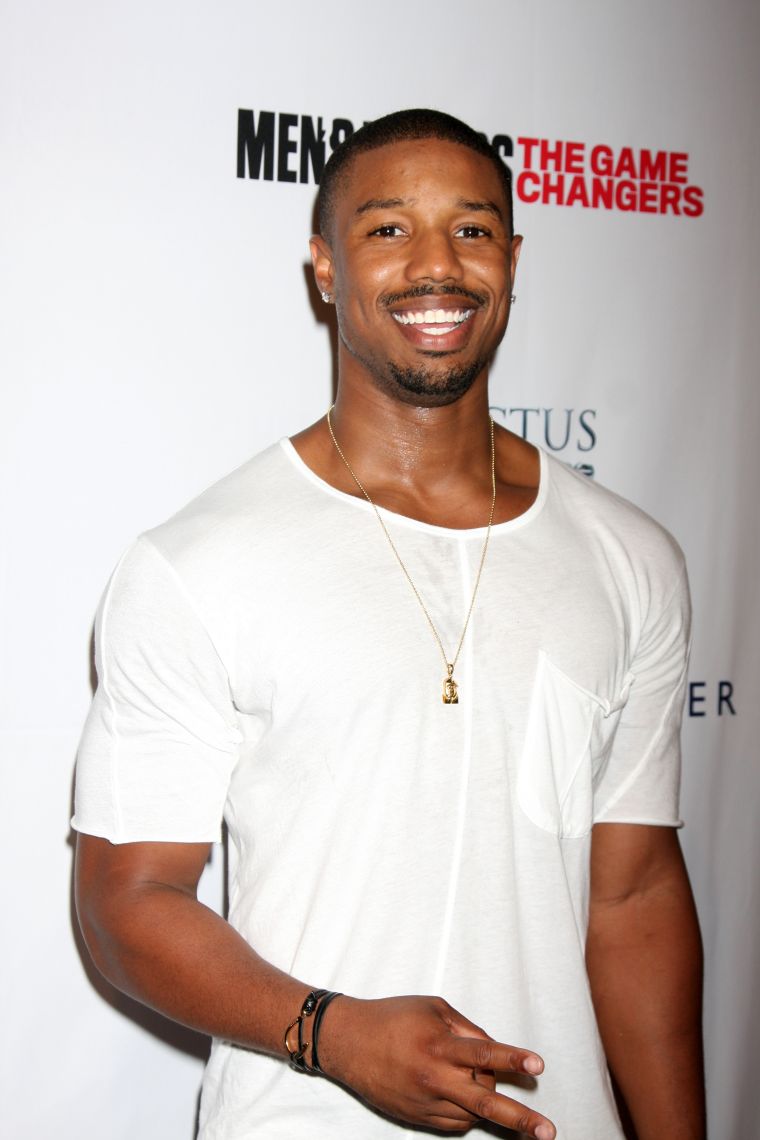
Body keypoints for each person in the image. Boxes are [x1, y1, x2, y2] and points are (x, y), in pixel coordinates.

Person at [73, 108, 705, 1140]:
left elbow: (631, 898)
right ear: (324, 267)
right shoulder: (196, 562)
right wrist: (332, 1033)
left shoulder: (629, 556)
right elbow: (126, 903)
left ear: (511, 257)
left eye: (470, 229)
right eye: (385, 230)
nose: (435, 266)